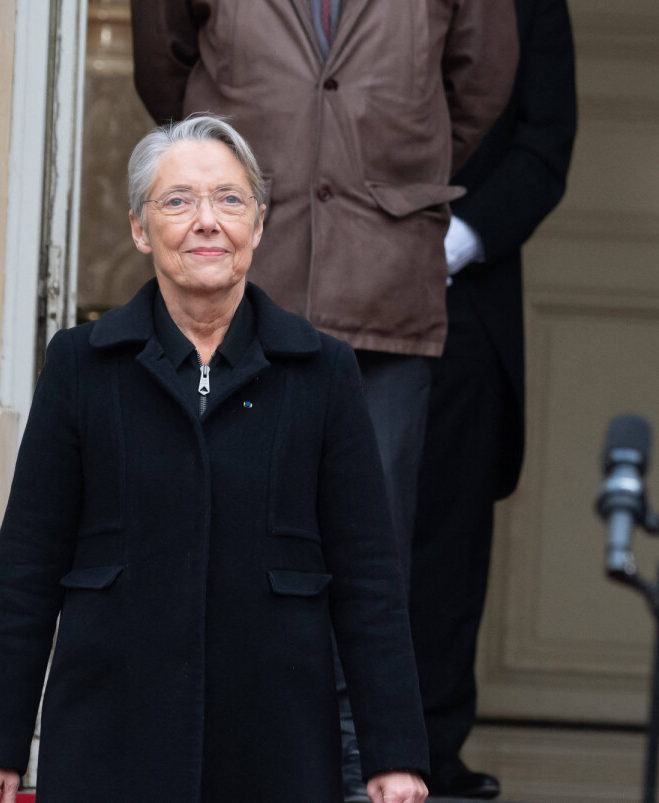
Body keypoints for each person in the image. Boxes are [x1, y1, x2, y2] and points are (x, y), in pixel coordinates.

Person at [0, 114, 428, 803]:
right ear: (140, 229)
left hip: (275, 748)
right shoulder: (82, 368)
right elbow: (27, 569)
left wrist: (395, 753)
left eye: (230, 200)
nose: (206, 221)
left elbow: (370, 581)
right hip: (109, 742)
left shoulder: (322, 372)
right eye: (177, 200)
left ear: (259, 225)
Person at [129, 9, 517, 794]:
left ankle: (350, 773)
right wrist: (240, 171)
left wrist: (390, 169)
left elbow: (481, 78)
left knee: (369, 561)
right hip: (240, 287)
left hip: (383, 285)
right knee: (216, 538)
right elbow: (163, 60)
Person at [409, 0, 577, 796]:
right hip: (314, 288)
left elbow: (545, 147)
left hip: (460, 302)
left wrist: (444, 246)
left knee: (443, 557)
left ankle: (428, 764)